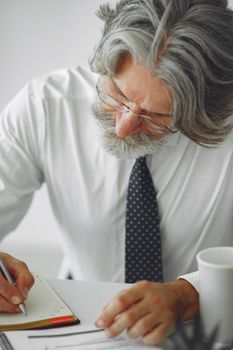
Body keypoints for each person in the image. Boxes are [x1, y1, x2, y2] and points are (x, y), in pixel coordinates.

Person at [0, 0, 233, 345]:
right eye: (118, 93)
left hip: (210, 329)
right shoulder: (45, 107)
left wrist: (189, 293)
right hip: (75, 328)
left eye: (157, 116)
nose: (124, 127)